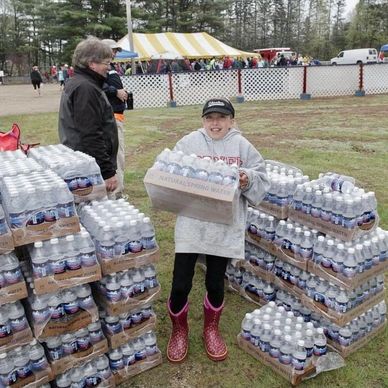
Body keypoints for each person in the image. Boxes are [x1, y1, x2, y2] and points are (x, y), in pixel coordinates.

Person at [166, 98, 270, 363]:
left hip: (223, 226)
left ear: (231, 121)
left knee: (215, 282)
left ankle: (211, 329)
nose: (215, 123)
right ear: (203, 120)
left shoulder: (241, 145)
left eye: (221, 118)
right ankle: (179, 330)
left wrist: (247, 178)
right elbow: (169, 168)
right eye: (210, 117)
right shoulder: (189, 143)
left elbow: (261, 176)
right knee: (180, 285)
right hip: (192, 224)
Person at [58, 37, 118, 193]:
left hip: (85, 162)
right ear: (92, 63)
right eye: (106, 63)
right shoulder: (85, 88)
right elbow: (90, 133)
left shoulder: (80, 83)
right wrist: (107, 172)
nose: (109, 67)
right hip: (90, 167)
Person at [101, 39, 129, 199]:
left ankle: (115, 191)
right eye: (112, 50)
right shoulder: (102, 68)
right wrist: (115, 91)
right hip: (111, 118)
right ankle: (116, 194)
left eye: (116, 51)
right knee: (117, 155)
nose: (114, 53)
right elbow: (98, 86)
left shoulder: (110, 67)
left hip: (116, 116)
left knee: (117, 155)